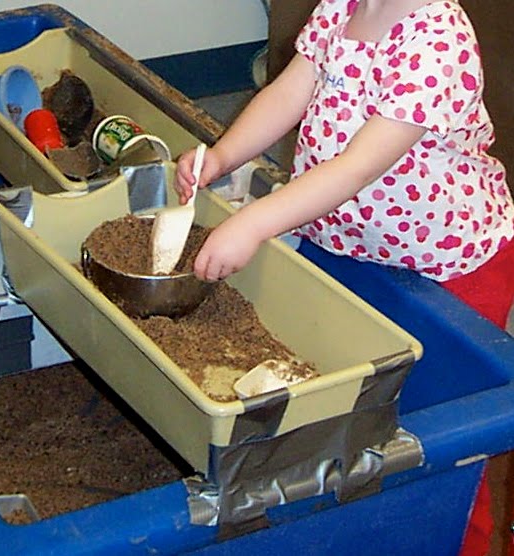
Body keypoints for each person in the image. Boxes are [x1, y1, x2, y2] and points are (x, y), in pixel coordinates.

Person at [175, 1, 514, 554]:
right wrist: (223, 156)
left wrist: (253, 223)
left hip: (452, 267)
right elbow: (289, 91)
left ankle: (460, 541)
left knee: (443, 434)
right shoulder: (345, 4)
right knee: (347, 408)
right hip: (352, 244)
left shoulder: (438, 41)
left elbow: (356, 167)